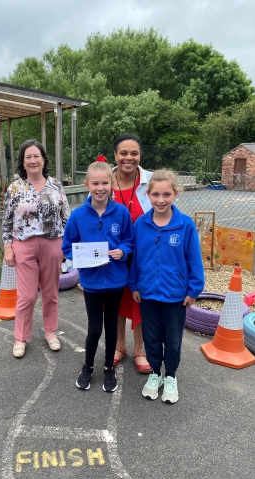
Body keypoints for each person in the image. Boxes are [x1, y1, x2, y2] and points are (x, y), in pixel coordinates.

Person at [129, 169, 204, 403]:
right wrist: (134, 284)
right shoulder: (140, 224)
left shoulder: (185, 226)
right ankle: (154, 373)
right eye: (156, 195)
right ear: (148, 195)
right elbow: (136, 258)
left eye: (166, 194)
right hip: (148, 294)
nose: (161, 200)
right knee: (151, 338)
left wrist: (193, 290)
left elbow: (194, 260)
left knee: (172, 340)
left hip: (175, 296)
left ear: (175, 194)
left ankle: (170, 376)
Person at [62, 161, 133, 392]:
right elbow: (67, 246)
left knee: (112, 326)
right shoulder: (78, 215)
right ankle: (88, 366)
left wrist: (122, 251)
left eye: (105, 182)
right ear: (86, 185)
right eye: (95, 183)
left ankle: (108, 369)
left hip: (115, 282)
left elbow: (129, 241)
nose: (100, 187)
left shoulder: (121, 212)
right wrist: (80, 257)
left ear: (112, 184)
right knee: (94, 328)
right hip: (91, 283)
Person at [2, 139, 71, 358]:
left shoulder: (56, 185)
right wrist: (8, 247)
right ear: (23, 162)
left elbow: (66, 216)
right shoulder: (15, 188)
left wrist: (68, 245)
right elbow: (6, 221)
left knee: (50, 293)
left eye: (36, 156)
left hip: (52, 243)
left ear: (43, 159)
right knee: (27, 296)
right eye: (28, 157)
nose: (33, 160)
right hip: (24, 244)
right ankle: (21, 337)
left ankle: (51, 331)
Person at [111, 133, 152, 373]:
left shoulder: (150, 181)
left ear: (140, 155)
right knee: (115, 302)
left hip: (142, 256)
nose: (129, 158)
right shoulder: (105, 180)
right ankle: (119, 346)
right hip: (113, 256)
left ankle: (139, 350)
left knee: (140, 302)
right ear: (115, 155)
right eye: (124, 153)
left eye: (134, 153)